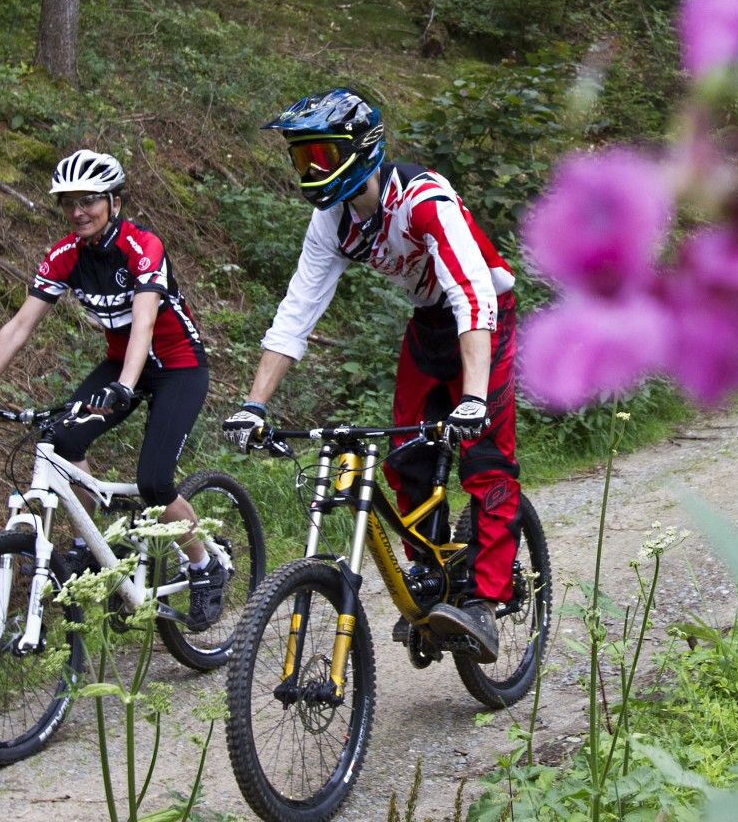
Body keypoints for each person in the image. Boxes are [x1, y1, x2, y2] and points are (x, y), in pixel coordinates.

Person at [221, 87, 518, 662]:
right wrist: (254, 404)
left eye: (321, 156)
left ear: (360, 150)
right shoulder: (332, 222)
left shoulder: (425, 201)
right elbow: (297, 312)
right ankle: (430, 579)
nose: (311, 170)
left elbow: (472, 293)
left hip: (486, 317)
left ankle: (485, 601)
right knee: (406, 456)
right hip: (429, 323)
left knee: (484, 457)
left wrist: (475, 397)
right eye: (301, 158)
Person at [0, 149, 229, 624]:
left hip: (177, 365)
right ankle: (90, 547)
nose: (78, 212)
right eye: (69, 202)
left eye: (89, 200)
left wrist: (125, 387)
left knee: (154, 482)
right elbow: (19, 326)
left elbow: (143, 323)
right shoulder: (65, 256)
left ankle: (205, 566)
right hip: (121, 365)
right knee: (61, 439)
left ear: (115, 201)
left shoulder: (142, 246)